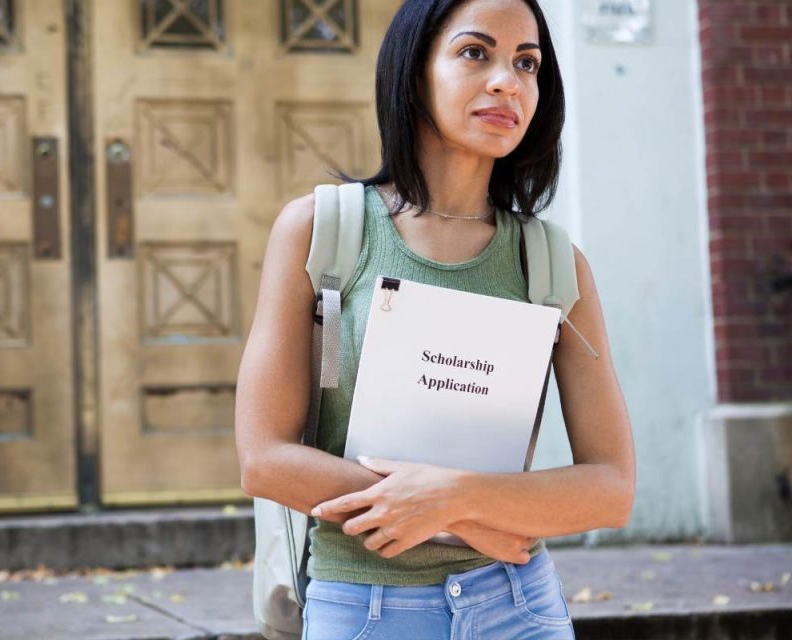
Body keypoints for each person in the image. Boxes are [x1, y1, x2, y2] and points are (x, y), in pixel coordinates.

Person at [235, 0, 636, 637]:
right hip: (363, 608)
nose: (508, 80)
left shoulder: (555, 263)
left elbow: (611, 488)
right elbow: (265, 458)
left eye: (526, 63)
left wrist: (451, 499)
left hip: (520, 606)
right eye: (476, 53)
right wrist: (470, 524)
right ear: (413, 70)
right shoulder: (323, 230)